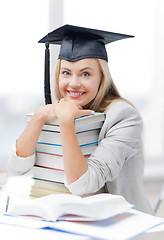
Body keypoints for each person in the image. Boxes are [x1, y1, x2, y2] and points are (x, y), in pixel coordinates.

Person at [8, 25, 153, 214]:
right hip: (67, 220)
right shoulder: (55, 111)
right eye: (66, 72)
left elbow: (83, 185)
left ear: (102, 76)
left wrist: (66, 122)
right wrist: (40, 116)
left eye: (85, 74)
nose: (74, 83)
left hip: (119, 222)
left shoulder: (124, 116)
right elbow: (16, 170)